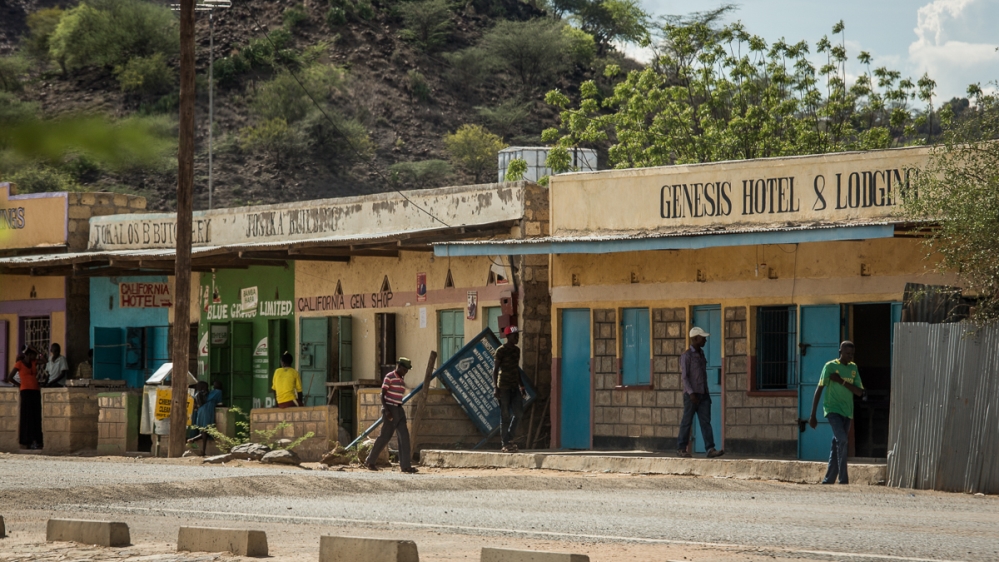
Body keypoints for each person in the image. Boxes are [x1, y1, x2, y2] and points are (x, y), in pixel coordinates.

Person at [809, 341, 865, 485]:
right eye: (847, 354)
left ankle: (828, 480)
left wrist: (841, 381)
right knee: (842, 439)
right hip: (832, 409)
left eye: (852, 354)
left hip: (847, 411)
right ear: (840, 352)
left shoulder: (853, 368)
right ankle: (843, 480)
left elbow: (859, 392)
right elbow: (819, 388)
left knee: (837, 443)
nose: (850, 357)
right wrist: (813, 414)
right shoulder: (830, 366)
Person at [677, 327, 724, 458]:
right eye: (703, 337)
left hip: (703, 394)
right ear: (695, 339)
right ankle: (681, 448)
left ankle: (710, 449)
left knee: (705, 422)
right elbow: (685, 377)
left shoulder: (701, 354)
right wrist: (691, 393)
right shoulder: (686, 356)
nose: (705, 340)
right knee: (687, 422)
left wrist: (706, 394)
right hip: (691, 395)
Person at [365, 357, 417, 473]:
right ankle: (370, 461)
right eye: (404, 369)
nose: (406, 372)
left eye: (407, 370)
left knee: (404, 437)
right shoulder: (389, 377)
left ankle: (405, 466)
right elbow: (382, 395)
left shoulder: (401, 380)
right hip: (390, 408)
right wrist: (387, 411)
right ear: (399, 366)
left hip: (399, 409)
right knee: (384, 437)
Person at [493, 326, 524, 453]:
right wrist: (496, 388)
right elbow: (495, 370)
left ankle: (510, 438)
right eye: (514, 335)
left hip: (514, 387)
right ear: (508, 337)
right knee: (505, 415)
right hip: (503, 387)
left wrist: (521, 386)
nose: (517, 337)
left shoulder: (517, 350)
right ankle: (505, 443)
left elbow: (516, 369)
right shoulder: (500, 351)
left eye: (517, 335)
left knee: (519, 413)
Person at [5, 346, 43, 450]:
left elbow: (45, 361)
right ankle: (27, 441)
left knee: (36, 415)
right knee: (27, 416)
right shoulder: (19, 364)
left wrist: (38, 352)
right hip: (25, 391)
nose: (34, 357)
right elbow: (10, 377)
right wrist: (19, 385)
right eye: (32, 355)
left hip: (35, 391)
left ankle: (37, 440)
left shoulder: (34, 362)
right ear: (28, 355)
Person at [188, 381, 224, 456]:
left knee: (203, 429)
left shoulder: (199, 393)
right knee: (206, 430)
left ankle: (199, 446)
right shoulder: (218, 392)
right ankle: (195, 442)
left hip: (200, 411)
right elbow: (220, 404)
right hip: (208, 410)